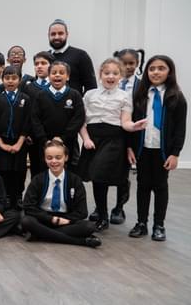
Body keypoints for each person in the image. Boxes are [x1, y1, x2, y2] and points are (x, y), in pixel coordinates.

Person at [78, 58, 146, 231]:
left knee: (101, 174)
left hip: (114, 140)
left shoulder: (124, 97)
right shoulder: (89, 94)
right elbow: (82, 121)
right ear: (100, 74)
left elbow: (125, 122)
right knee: (96, 178)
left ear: (121, 76)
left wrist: (134, 126)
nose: (110, 76)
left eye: (115, 73)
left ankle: (110, 209)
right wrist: (85, 139)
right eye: (107, 73)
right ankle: (102, 215)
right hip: (93, 139)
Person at [127, 55, 187, 241]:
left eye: (161, 68)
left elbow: (180, 129)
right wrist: (129, 147)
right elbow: (131, 123)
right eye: (152, 68)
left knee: (160, 186)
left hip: (163, 151)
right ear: (146, 72)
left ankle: (159, 225)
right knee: (142, 186)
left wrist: (175, 153)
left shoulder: (176, 97)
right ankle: (141, 223)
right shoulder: (140, 94)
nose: (156, 72)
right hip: (143, 149)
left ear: (169, 72)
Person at [21, 138, 101, 248]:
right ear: (45, 159)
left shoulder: (75, 180)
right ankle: (81, 242)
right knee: (26, 221)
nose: (54, 161)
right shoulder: (38, 179)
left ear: (66, 157)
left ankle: (40, 235)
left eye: (58, 157)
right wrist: (51, 219)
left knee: (89, 226)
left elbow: (82, 212)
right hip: (44, 219)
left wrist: (65, 220)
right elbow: (28, 206)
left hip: (66, 221)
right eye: (49, 158)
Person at [0, 66, 31, 209]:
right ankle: (4, 197)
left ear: (19, 80)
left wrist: (20, 143)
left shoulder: (26, 99)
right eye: (7, 78)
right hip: (1, 142)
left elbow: (27, 123)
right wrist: (1, 144)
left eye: (14, 78)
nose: (10, 81)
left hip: (20, 142)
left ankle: (18, 196)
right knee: (2, 170)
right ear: (2, 80)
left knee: (19, 170)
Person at [31, 61, 85, 171]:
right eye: (54, 72)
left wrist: (63, 138)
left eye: (61, 72)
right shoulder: (40, 95)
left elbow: (78, 118)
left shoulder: (74, 95)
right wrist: (45, 140)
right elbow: (35, 119)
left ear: (68, 77)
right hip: (45, 144)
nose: (57, 75)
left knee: (69, 175)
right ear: (49, 76)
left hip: (68, 143)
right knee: (45, 174)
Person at [21, 51, 54, 178]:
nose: (39, 66)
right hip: (34, 138)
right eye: (36, 64)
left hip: (52, 135)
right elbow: (25, 112)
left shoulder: (56, 86)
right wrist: (27, 133)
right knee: (36, 169)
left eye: (43, 63)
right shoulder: (28, 87)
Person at [48, 19, 97, 94]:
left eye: (60, 33)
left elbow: (91, 87)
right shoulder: (44, 58)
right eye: (53, 34)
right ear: (48, 35)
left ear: (67, 34)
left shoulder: (81, 55)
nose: (56, 37)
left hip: (73, 104)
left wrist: (80, 103)